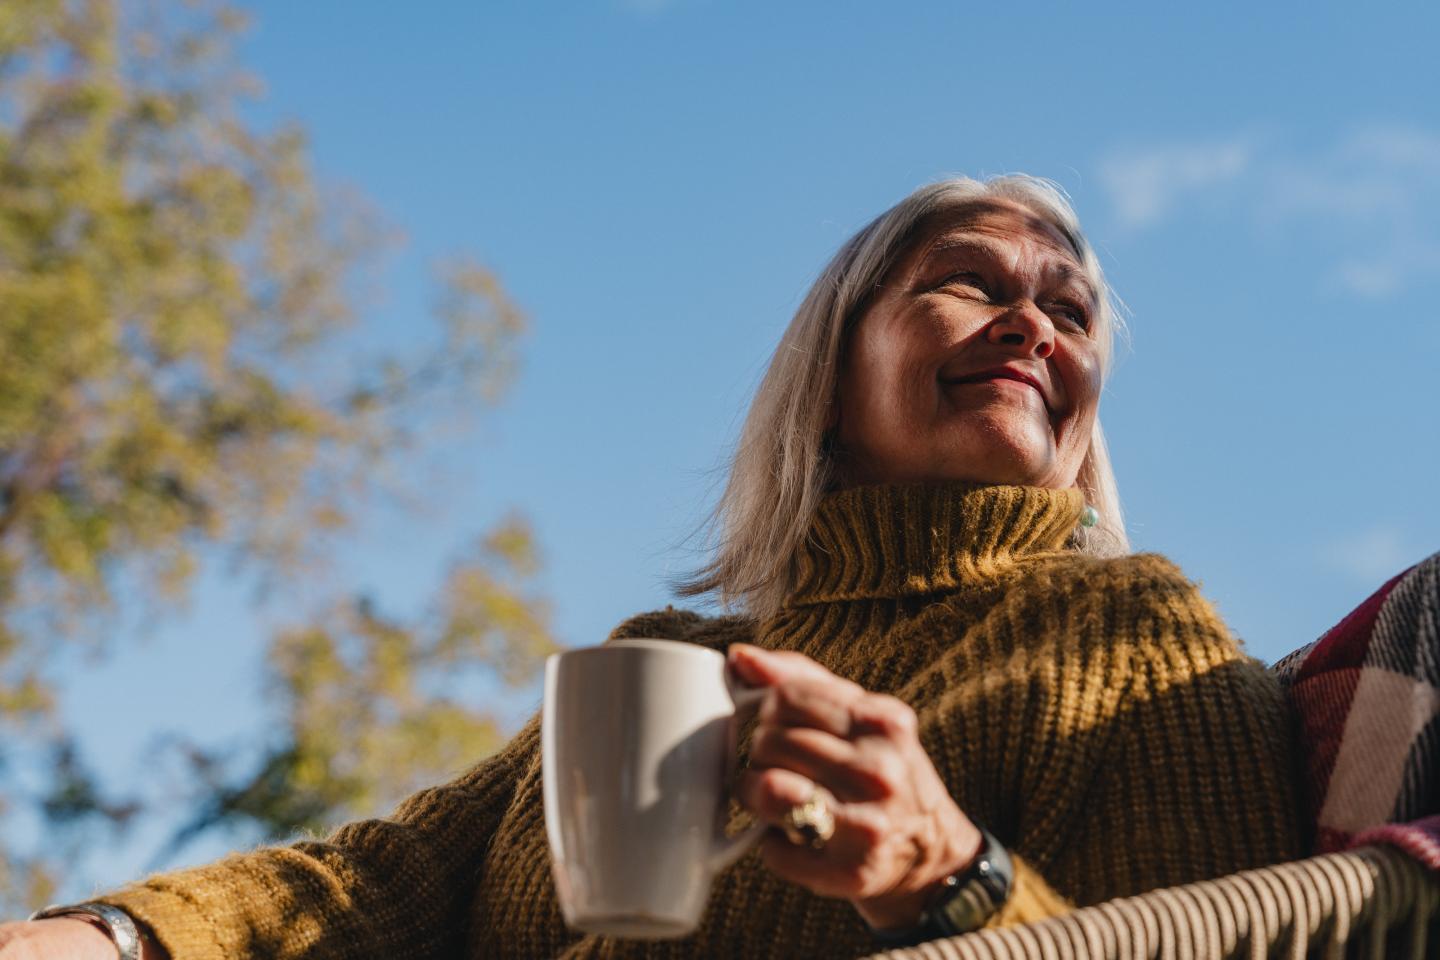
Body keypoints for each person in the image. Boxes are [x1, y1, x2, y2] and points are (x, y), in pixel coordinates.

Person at [0, 175, 1302, 959]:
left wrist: (946, 880)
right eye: (965, 284)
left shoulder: (1136, 642)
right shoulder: (663, 663)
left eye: (1068, 311)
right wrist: (103, 935)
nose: (1031, 320)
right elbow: (367, 889)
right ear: (829, 384)